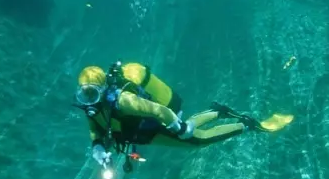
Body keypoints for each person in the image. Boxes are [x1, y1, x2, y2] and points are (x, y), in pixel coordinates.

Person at [74, 62, 292, 170]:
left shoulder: (122, 101)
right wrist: (98, 149)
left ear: (102, 88)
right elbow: (95, 128)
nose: (88, 99)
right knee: (190, 130)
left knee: (197, 141)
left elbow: (158, 111)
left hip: (153, 125)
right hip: (143, 132)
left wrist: (178, 128)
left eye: (92, 92)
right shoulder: (92, 108)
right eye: (84, 94)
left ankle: (246, 124)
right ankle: (218, 112)